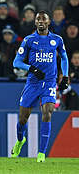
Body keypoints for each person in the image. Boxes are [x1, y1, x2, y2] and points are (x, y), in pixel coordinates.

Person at [12, 11, 69, 162]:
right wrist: (32, 69)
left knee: (47, 112)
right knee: (23, 119)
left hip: (49, 82)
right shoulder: (29, 40)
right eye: (38, 20)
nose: (41, 22)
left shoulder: (57, 39)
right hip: (33, 83)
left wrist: (66, 75)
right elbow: (16, 62)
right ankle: (20, 140)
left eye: (44, 19)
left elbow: (64, 57)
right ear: (35, 22)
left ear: (49, 22)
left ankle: (41, 154)